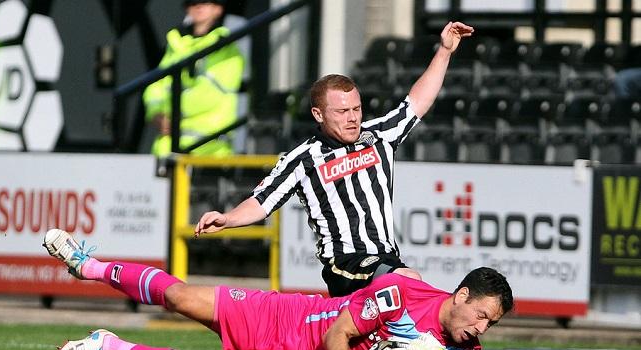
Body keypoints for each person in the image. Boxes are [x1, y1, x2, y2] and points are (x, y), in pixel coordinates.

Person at [194, 22, 475, 297]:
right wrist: (228, 218)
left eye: (356, 108)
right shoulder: (303, 158)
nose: (352, 117)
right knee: (409, 282)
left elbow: (418, 102)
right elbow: (263, 201)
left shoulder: (380, 136)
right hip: (345, 264)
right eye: (342, 111)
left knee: (404, 307)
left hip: (386, 259)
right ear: (319, 114)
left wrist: (444, 51)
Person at [44, 228, 512, 350]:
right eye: (482, 315)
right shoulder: (401, 293)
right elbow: (339, 334)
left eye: (491, 324)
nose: (482, 328)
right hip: (293, 319)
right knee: (180, 297)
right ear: (461, 295)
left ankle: (110, 344)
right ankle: (89, 265)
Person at [143, 0, 244, 157]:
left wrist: (170, 114)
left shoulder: (227, 47)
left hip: (210, 152)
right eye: (192, 1)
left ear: (218, 8)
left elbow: (209, 95)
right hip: (166, 149)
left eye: (205, 1)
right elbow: (155, 86)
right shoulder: (176, 44)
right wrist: (156, 114)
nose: (198, 6)